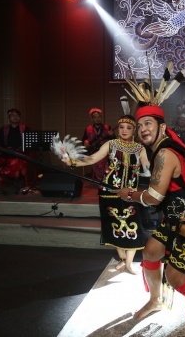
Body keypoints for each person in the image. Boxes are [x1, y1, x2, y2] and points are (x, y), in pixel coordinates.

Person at [113, 104, 185, 326]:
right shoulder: (161, 150)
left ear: (162, 127)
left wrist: (130, 194)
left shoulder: (165, 153)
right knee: (151, 252)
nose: (142, 129)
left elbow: (153, 197)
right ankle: (155, 300)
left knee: (175, 277)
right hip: (177, 218)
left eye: (148, 124)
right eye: (140, 125)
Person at [59, 115, 149, 274]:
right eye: (122, 127)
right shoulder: (111, 144)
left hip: (130, 193)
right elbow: (92, 159)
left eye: (129, 128)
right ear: (118, 129)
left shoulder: (140, 148)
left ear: (134, 130)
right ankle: (123, 260)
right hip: (109, 192)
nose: (125, 130)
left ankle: (129, 263)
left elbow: (147, 168)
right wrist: (72, 161)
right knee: (114, 226)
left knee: (134, 226)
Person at [0, 108, 30, 188]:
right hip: (7, 153)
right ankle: (8, 180)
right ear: (8, 118)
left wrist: (21, 148)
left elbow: (30, 143)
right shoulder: (3, 129)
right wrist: (7, 148)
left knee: (15, 161)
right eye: (13, 115)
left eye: (17, 115)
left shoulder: (25, 128)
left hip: (21, 154)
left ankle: (17, 180)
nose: (15, 117)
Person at [81, 108, 114, 182]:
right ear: (92, 119)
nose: (97, 119)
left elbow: (114, 140)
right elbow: (83, 140)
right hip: (93, 151)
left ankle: (105, 179)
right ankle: (101, 179)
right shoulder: (88, 129)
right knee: (97, 161)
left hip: (105, 151)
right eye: (95, 117)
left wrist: (111, 135)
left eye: (99, 117)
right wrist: (85, 142)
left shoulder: (107, 127)